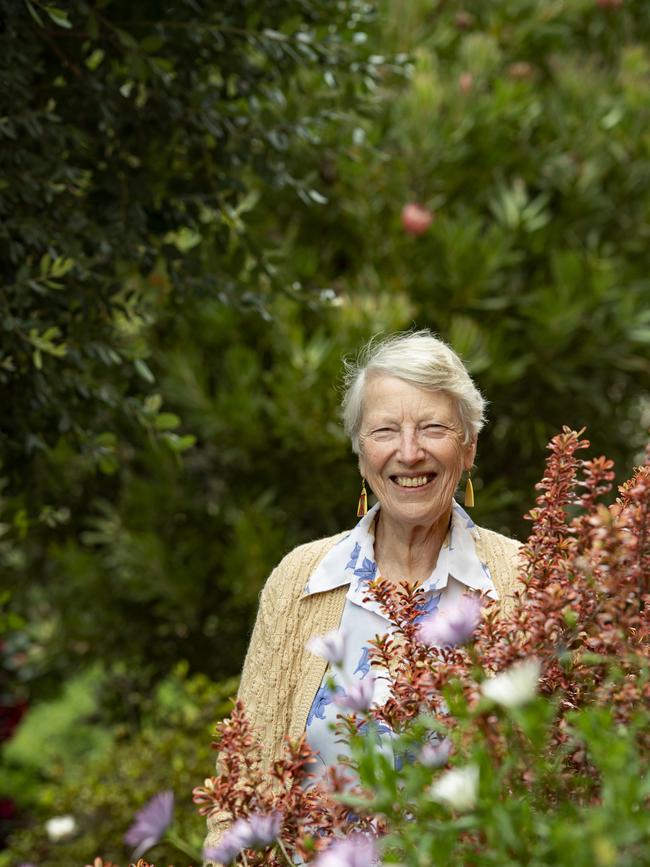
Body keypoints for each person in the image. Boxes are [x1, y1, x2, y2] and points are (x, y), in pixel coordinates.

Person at [204, 330, 521, 858]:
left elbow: (560, 787)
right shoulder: (299, 581)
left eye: (433, 428)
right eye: (385, 430)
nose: (409, 451)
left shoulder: (524, 583)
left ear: (468, 448)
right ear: (360, 454)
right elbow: (241, 789)